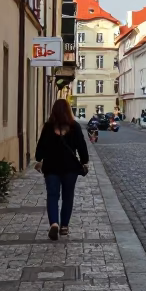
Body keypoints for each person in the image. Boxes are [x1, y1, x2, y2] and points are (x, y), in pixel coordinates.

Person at [35, 99, 89, 240]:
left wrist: (40, 158)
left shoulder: (48, 127)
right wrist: (85, 162)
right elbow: (82, 146)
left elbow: (39, 150)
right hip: (70, 168)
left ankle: (54, 223)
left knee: (52, 196)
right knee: (67, 196)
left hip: (51, 167)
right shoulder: (74, 127)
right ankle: (64, 225)